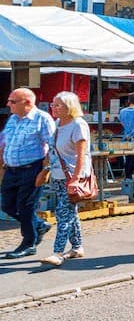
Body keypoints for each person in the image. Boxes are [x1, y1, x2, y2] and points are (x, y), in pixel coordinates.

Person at [1, 88, 55, 259]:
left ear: (28, 103)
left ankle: (29, 243)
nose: (8, 104)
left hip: (31, 169)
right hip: (11, 169)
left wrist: (46, 170)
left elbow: (53, 146)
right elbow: (5, 143)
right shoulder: (12, 119)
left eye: (12, 101)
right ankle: (38, 225)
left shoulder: (42, 119)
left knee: (25, 207)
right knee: (7, 206)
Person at [40, 92, 93, 267]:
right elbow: (54, 151)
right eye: (53, 104)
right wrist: (46, 169)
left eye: (57, 105)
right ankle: (77, 247)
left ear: (69, 107)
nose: (53, 108)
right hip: (58, 175)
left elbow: (81, 155)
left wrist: (76, 179)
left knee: (63, 214)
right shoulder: (57, 124)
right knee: (71, 212)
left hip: (72, 177)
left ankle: (58, 252)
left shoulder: (78, 124)